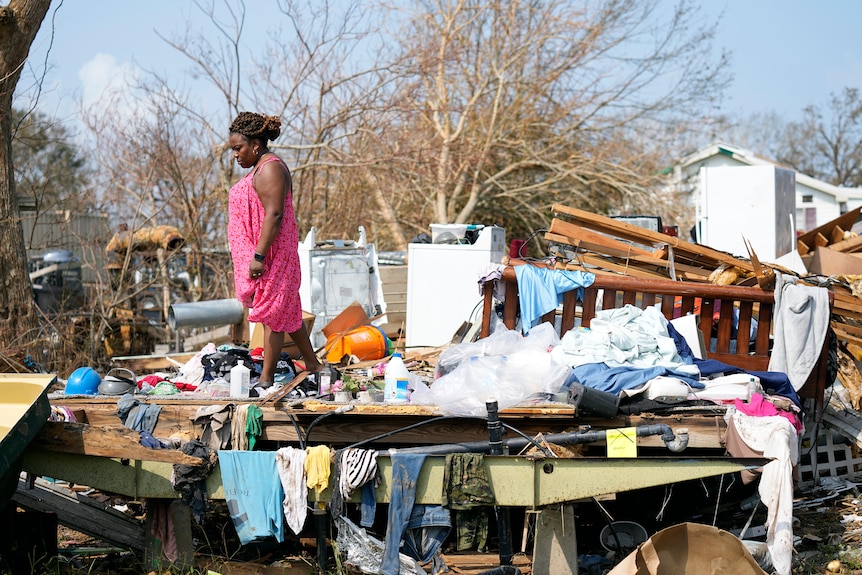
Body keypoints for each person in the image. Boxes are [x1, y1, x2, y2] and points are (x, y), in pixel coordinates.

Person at [227, 111, 322, 385]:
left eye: (239, 148)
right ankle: (314, 365)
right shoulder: (261, 167)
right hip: (270, 254)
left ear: (256, 144)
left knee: (272, 316)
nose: (236, 155)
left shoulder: (269, 168)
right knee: (288, 310)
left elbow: (274, 214)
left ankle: (266, 380)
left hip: (273, 256)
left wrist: (258, 256)